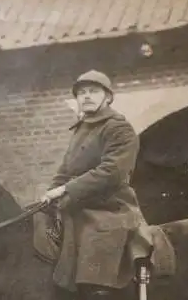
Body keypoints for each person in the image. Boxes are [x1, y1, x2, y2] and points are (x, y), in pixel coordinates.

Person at [40, 70, 153, 300]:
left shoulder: (118, 128)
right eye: (81, 93)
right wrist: (48, 194)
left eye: (93, 91)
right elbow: (65, 171)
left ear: (108, 97)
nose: (87, 96)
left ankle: (98, 292)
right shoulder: (82, 129)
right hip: (78, 204)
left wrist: (66, 190)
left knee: (96, 239)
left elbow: (112, 171)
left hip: (109, 207)